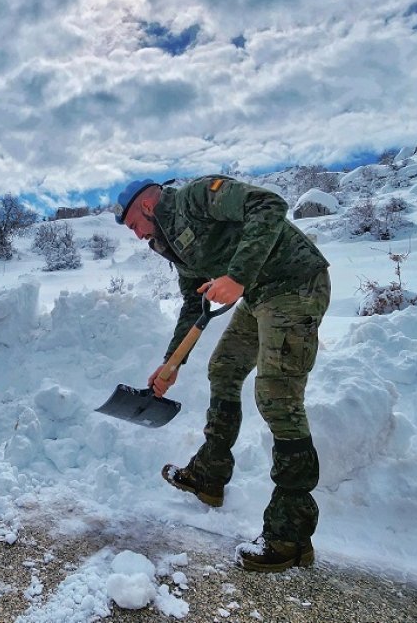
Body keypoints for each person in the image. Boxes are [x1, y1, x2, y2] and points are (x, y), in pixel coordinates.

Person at [116, 175, 331, 573]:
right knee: (224, 368)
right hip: (261, 293)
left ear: (146, 205)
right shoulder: (172, 244)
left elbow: (268, 205)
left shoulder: (198, 198)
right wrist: (171, 364)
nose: (136, 236)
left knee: (277, 396)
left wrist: (237, 276)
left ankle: (292, 534)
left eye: (133, 225)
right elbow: (191, 302)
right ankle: (210, 475)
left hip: (296, 282)